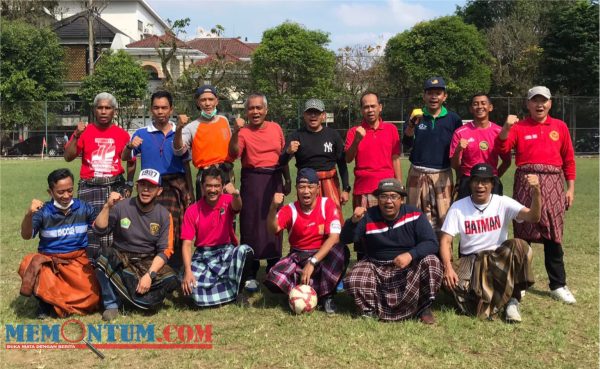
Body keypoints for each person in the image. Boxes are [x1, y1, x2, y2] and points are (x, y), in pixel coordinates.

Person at [495, 86, 577, 304]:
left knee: (553, 234)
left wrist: (570, 188)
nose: (539, 105)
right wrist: (505, 127)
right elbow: (501, 149)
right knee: (524, 233)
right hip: (525, 181)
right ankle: (521, 285)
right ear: (528, 103)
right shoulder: (519, 127)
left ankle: (558, 285)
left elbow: (568, 160)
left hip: (553, 183)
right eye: (535, 101)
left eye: (544, 101)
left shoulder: (559, 126)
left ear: (550, 103)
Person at [440, 163, 541, 322]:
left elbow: (533, 217)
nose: (480, 186)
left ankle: (513, 300)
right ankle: (491, 297)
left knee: (520, 246)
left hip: (497, 257)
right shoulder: (458, 207)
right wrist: (448, 268)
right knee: (449, 283)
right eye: (476, 181)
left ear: (492, 184)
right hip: (471, 260)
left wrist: (536, 192)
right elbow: (446, 240)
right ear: (470, 183)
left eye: (485, 181)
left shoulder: (503, 202)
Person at [341, 178, 442, 323]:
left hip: (407, 267)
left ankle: (423, 307)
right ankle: (368, 310)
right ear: (377, 199)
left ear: (401, 200)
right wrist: (353, 221)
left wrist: (410, 255)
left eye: (394, 196)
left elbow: (432, 243)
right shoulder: (367, 216)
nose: (388, 201)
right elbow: (345, 239)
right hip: (376, 266)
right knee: (355, 278)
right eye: (383, 196)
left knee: (432, 262)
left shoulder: (414, 214)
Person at [123, 90, 194, 271]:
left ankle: (176, 268)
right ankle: (152, 267)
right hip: (151, 187)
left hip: (175, 187)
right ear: (150, 110)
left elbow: (186, 165)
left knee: (175, 227)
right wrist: (130, 145)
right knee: (150, 227)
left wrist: (190, 192)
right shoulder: (141, 133)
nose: (160, 112)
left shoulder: (181, 133)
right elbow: (126, 157)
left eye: (164, 108)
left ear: (171, 109)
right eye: (156, 108)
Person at [93, 169, 178, 321]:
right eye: (142, 185)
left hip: (147, 262)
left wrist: (150, 275)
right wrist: (107, 206)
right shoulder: (121, 206)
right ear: (137, 187)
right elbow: (99, 230)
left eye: (151, 186)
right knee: (103, 256)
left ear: (159, 191)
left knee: (171, 279)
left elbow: (165, 251)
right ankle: (112, 303)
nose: (146, 190)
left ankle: (129, 293)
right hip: (122, 258)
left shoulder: (164, 215)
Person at [228, 92, 291, 292]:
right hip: (253, 180)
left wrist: (287, 179)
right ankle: (250, 271)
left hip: (274, 179)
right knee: (251, 224)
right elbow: (233, 153)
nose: (255, 111)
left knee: (274, 221)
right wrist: (235, 132)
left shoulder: (276, 128)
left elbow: (282, 157)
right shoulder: (244, 132)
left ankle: (274, 266)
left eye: (259, 108)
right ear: (246, 111)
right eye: (251, 108)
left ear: (266, 110)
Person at [18, 168, 100, 319]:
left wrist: (108, 207)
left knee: (92, 299)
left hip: (77, 261)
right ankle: (45, 303)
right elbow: (26, 235)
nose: (66, 195)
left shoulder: (83, 207)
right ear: (50, 192)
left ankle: (55, 302)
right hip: (51, 262)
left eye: (70, 190)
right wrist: (29, 214)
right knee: (30, 263)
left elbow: (100, 226)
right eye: (60, 192)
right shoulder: (43, 211)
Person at [265, 168, 348, 314]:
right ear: (297, 189)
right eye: (302, 187)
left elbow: (334, 237)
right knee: (273, 278)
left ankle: (327, 295)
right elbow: (273, 229)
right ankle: (305, 290)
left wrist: (313, 262)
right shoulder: (290, 209)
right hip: (298, 256)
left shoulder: (326, 204)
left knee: (341, 251)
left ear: (317, 189)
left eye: (310, 186)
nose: (306, 191)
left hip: (321, 256)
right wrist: (272, 207)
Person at [64, 92, 135, 260]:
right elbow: (68, 156)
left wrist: (129, 185)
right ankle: (92, 267)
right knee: (91, 230)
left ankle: (115, 267)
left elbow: (131, 161)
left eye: (108, 108)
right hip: (90, 187)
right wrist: (76, 135)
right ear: (94, 110)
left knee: (117, 228)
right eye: (100, 108)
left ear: (114, 111)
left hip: (115, 186)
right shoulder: (84, 132)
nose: (104, 111)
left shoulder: (122, 134)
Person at [180, 167, 254, 307]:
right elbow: (187, 244)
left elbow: (238, 207)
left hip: (226, 251)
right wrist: (188, 271)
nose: (212, 190)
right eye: (209, 186)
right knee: (193, 292)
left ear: (221, 188)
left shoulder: (227, 200)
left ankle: (239, 292)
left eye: (216, 186)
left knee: (245, 251)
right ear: (202, 187)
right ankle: (228, 290)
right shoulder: (192, 210)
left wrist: (236, 194)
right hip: (203, 255)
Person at [345, 91, 402, 260]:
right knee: (363, 231)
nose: (370, 110)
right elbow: (348, 159)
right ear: (361, 110)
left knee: (389, 229)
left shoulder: (391, 129)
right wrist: (357, 140)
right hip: (363, 189)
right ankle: (364, 264)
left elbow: (395, 158)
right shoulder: (354, 131)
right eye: (366, 107)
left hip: (388, 189)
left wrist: (399, 187)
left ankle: (389, 262)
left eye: (373, 106)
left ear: (380, 107)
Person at [402, 77, 462, 235]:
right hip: (417, 172)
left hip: (442, 173)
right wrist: (411, 124)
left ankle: (443, 257)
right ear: (424, 96)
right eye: (430, 93)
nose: (434, 96)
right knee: (414, 217)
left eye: (438, 93)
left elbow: (458, 150)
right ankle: (417, 256)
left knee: (444, 219)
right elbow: (407, 142)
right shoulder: (416, 117)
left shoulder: (453, 119)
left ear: (445, 96)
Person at [279, 99, 350, 220]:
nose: (313, 115)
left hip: (330, 182)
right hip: (306, 184)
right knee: (308, 220)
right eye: (309, 112)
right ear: (304, 115)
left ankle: (334, 240)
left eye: (316, 112)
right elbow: (281, 163)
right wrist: (288, 152)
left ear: (323, 115)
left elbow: (342, 164)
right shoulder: (297, 135)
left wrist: (346, 189)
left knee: (333, 219)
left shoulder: (333, 135)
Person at [173, 85, 240, 200]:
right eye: (203, 100)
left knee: (228, 211)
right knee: (206, 214)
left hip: (226, 173)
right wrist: (179, 128)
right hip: (206, 176)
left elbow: (232, 150)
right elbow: (178, 151)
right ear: (198, 103)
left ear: (216, 101)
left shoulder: (224, 121)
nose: (207, 103)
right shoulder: (191, 127)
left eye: (211, 99)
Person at [450, 94, 511, 199]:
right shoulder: (460, 132)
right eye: (475, 104)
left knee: (492, 215)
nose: (479, 106)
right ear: (471, 109)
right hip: (468, 181)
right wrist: (458, 150)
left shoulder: (499, 132)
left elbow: (507, 161)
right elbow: (455, 166)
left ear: (490, 107)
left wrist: (494, 177)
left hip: (491, 181)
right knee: (466, 214)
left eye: (483, 103)